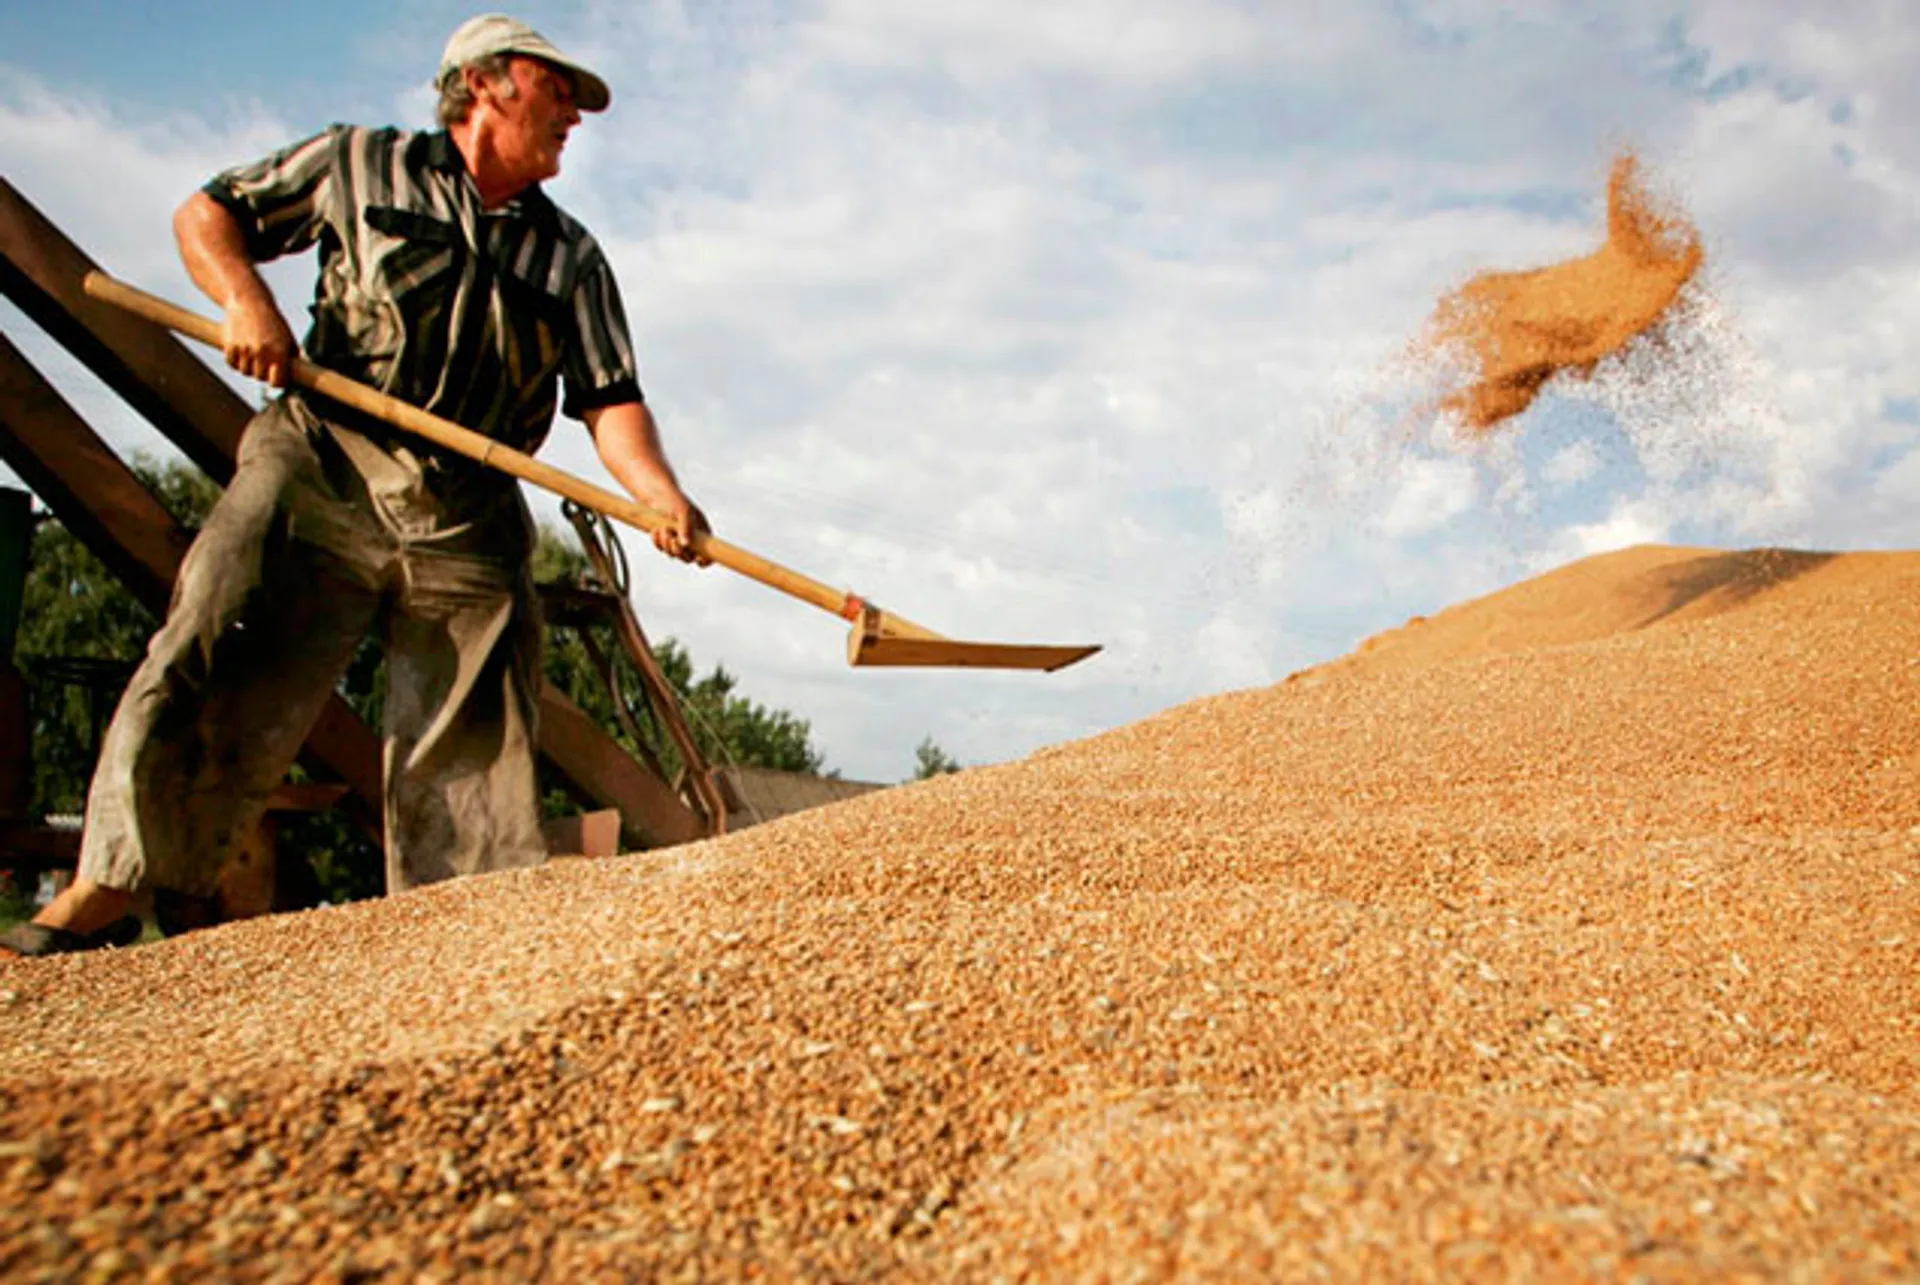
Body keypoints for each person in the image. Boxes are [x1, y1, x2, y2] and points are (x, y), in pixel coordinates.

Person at [1, 14, 707, 957]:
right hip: (325, 459)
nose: (574, 114)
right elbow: (206, 214)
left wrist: (659, 493)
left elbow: (611, 397)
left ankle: (455, 934)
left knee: (476, 727)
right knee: (220, 632)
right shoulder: (357, 164)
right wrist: (246, 302)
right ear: (488, 84)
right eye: (558, 89)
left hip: (466, 499)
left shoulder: (570, 259)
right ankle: (111, 885)